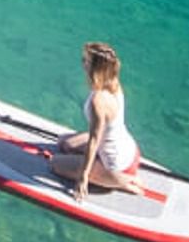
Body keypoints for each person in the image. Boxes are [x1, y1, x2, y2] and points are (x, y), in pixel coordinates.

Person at [52, 42, 140, 198]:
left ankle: (121, 182)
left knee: (55, 163)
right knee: (64, 143)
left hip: (117, 167)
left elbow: (94, 140)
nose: (82, 63)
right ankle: (110, 177)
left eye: (85, 60)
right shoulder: (113, 81)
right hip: (131, 151)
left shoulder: (98, 101)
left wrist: (83, 177)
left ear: (95, 68)